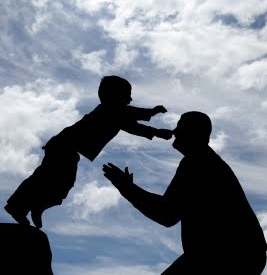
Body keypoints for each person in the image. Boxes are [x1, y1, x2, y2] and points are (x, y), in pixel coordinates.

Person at [103, 111, 267, 274]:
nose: (175, 131)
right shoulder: (202, 160)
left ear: (194, 133)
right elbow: (168, 213)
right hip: (231, 254)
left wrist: (126, 187)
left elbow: (166, 214)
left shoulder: (197, 163)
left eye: (181, 126)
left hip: (228, 254)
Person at [5, 75, 173, 228]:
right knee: (45, 179)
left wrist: (156, 129)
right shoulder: (108, 110)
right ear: (113, 96)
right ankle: (17, 206)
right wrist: (153, 115)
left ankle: (36, 205)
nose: (130, 99)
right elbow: (130, 118)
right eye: (126, 95)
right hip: (62, 147)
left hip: (68, 151)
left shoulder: (116, 114)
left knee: (60, 186)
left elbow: (131, 124)